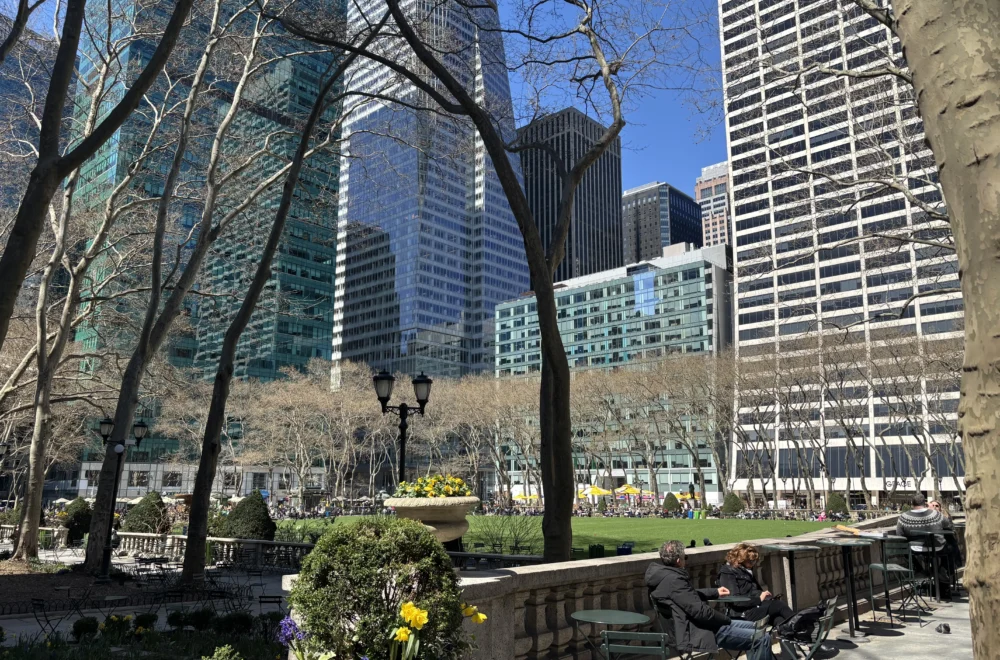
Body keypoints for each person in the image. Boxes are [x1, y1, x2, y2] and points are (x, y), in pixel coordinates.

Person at [646, 540, 776, 660]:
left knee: (758, 628)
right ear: (679, 560)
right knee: (761, 637)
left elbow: (687, 595)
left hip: (693, 627)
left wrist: (714, 592)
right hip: (701, 631)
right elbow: (701, 612)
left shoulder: (664, 578)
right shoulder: (675, 581)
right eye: (685, 557)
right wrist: (726, 620)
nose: (686, 560)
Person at [718, 543, 794, 626]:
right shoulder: (727, 572)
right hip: (742, 613)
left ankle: (793, 635)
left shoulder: (746, 570)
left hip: (754, 607)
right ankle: (801, 626)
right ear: (741, 559)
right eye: (751, 561)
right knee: (778, 605)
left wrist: (764, 596)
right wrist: (759, 599)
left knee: (778, 619)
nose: (753, 563)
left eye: (754, 560)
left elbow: (751, 590)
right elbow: (735, 600)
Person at [897, 493, 954, 597]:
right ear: (924, 503)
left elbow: (899, 535)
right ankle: (942, 581)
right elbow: (948, 525)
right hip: (937, 548)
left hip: (915, 550)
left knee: (907, 552)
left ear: (911, 503)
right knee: (949, 550)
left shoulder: (903, 517)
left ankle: (921, 572)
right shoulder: (936, 515)